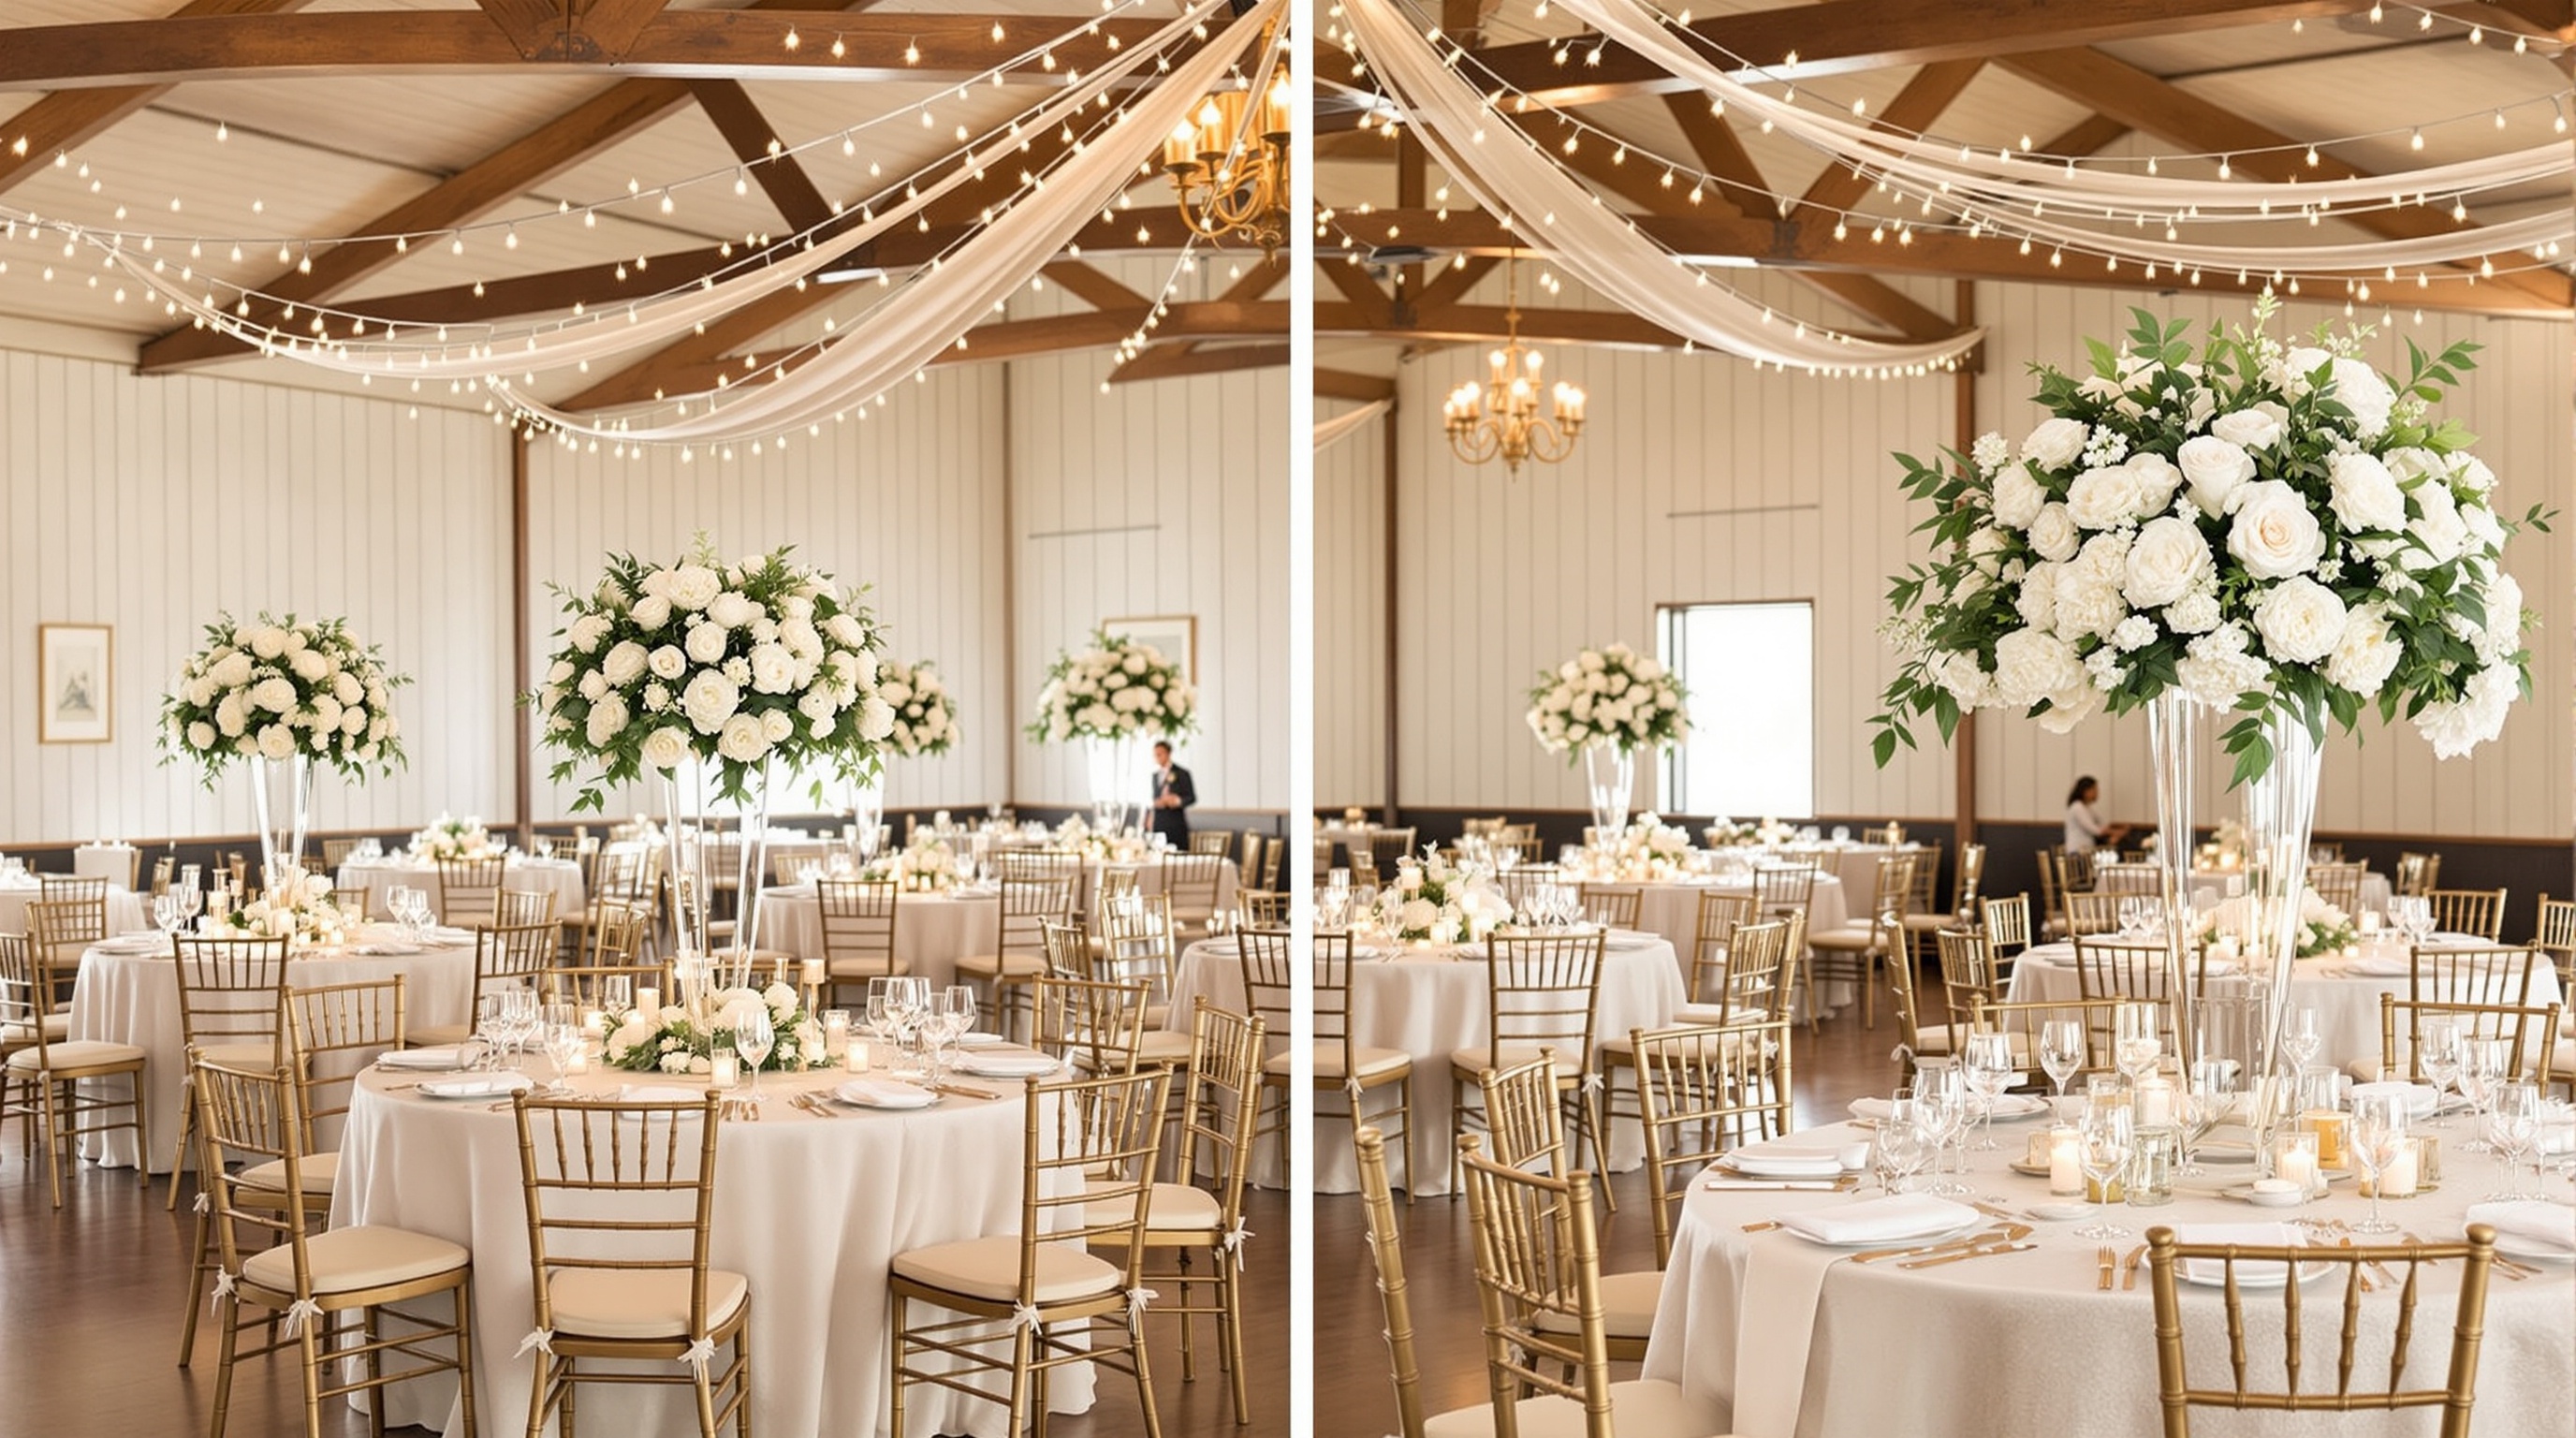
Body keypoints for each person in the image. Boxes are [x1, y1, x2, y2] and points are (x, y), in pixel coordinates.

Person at [1148, 741, 1196, 844]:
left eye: (1160, 754)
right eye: (1155, 755)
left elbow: (1191, 797)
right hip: (1159, 823)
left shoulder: (1182, 773)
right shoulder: (1155, 775)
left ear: (1168, 753)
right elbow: (1154, 797)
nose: (1157, 757)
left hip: (1176, 823)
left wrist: (1176, 801)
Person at [2063, 776, 2127, 854]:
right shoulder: (2077, 807)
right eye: (2095, 790)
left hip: (2087, 850)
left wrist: (2115, 832)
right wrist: (2116, 833)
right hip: (2077, 851)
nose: (2097, 793)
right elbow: (2094, 829)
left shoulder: (2088, 808)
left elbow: (2103, 825)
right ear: (2085, 791)